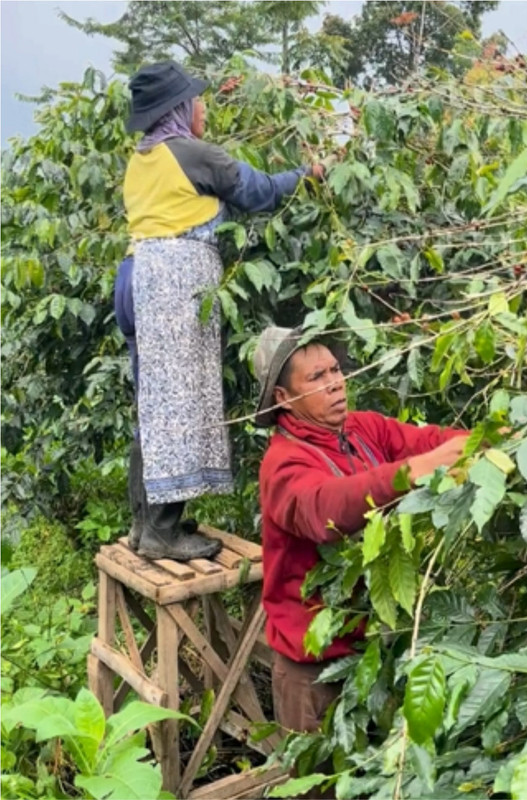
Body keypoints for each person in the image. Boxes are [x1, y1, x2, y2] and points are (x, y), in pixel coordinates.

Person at [114, 62, 325, 562]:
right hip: (171, 287)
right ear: (178, 109)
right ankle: (164, 534)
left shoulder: (142, 156)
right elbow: (255, 191)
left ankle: (145, 527)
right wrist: (307, 175)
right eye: (196, 99)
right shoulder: (191, 152)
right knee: (179, 404)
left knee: (154, 406)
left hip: (136, 278)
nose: (203, 106)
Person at [253, 326, 470, 735]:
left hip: (376, 651)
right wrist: (414, 472)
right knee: (319, 791)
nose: (336, 383)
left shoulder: (362, 429)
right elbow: (325, 508)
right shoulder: (282, 464)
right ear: (284, 398)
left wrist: (486, 441)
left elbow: (427, 441)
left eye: (335, 370)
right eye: (317, 378)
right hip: (314, 676)